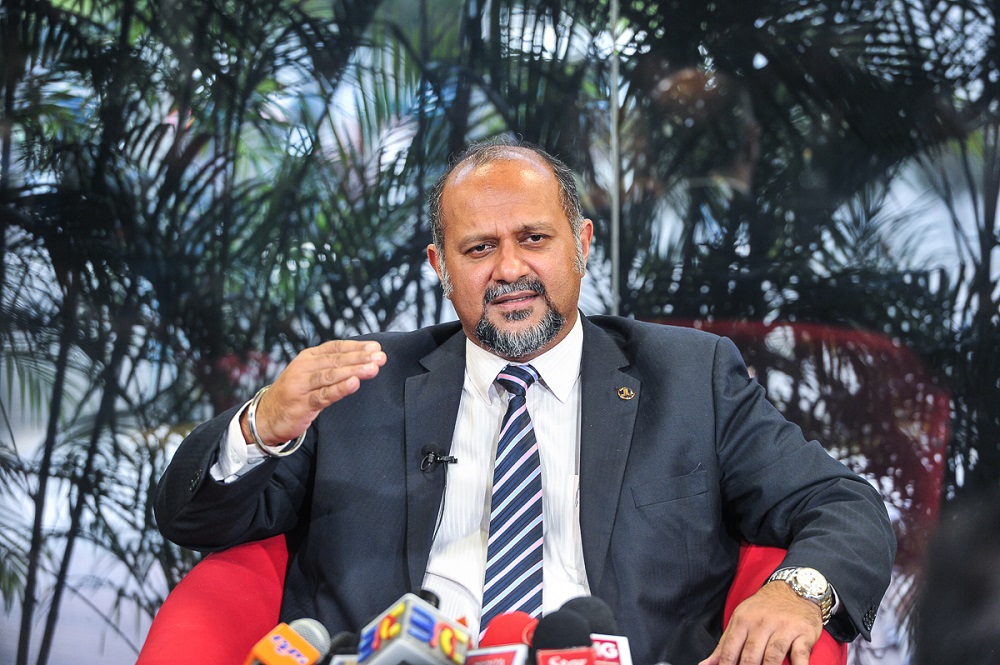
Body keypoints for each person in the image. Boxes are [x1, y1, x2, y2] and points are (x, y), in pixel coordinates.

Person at [155, 138, 895, 665]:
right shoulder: (361, 381)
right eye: (479, 248)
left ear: (582, 243)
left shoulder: (689, 375)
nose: (510, 269)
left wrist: (797, 594)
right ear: (441, 268)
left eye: (534, 238)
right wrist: (262, 424)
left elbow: (841, 504)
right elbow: (192, 518)